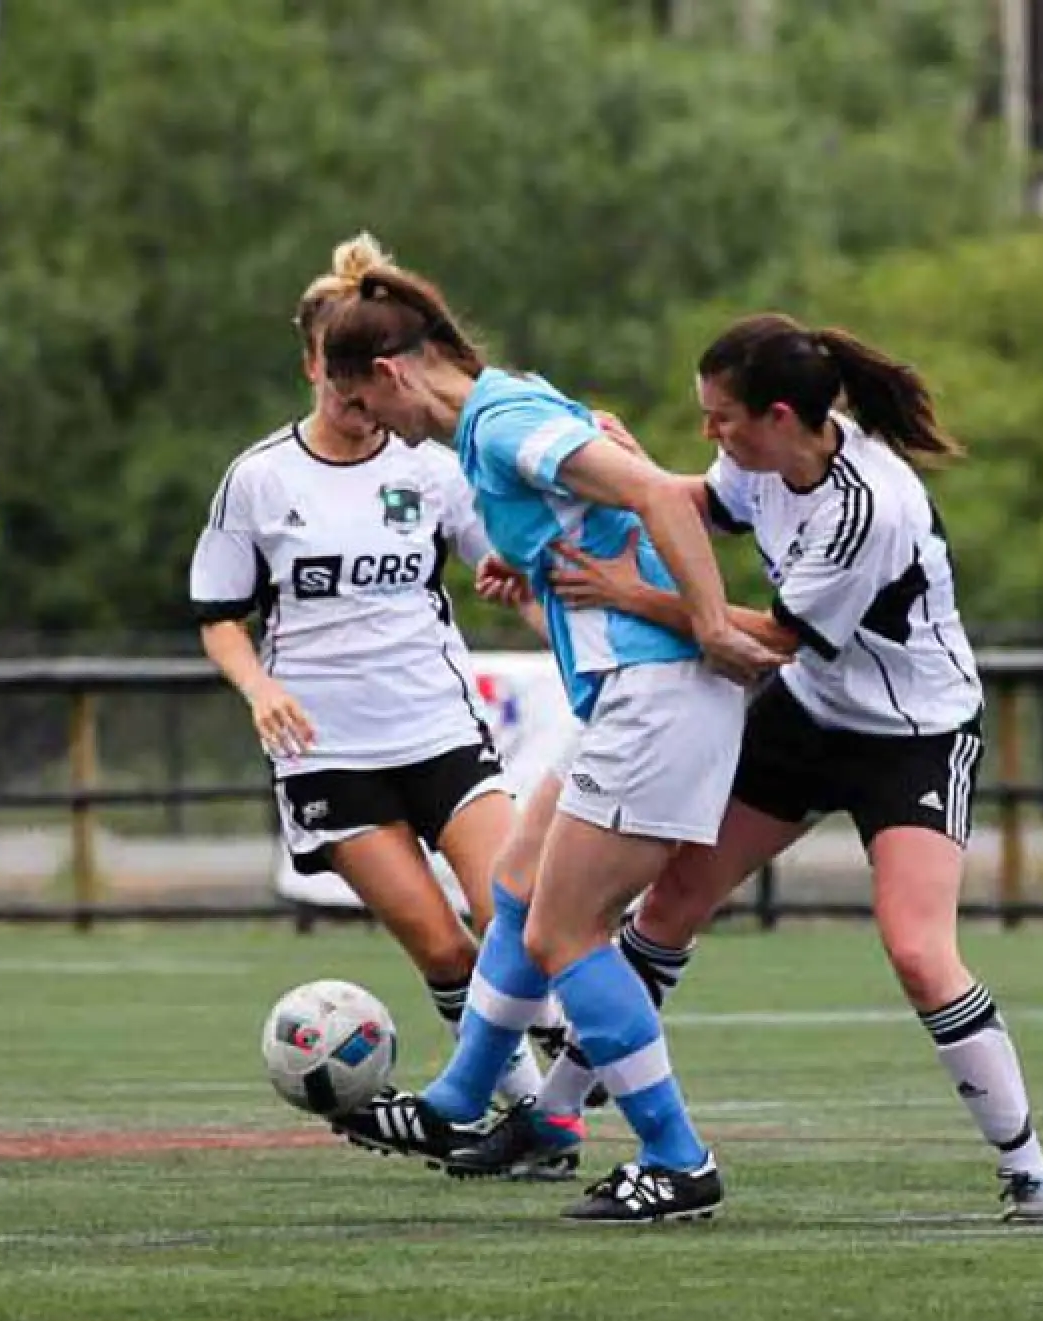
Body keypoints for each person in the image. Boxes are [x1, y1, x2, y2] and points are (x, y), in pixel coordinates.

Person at [443, 314, 1043, 1224]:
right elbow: (686, 507)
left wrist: (630, 596)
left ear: (781, 416)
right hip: (811, 713)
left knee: (916, 950)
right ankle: (553, 1118)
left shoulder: (869, 506)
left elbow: (775, 638)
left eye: (721, 419)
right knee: (667, 907)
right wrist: (552, 543)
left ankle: (1031, 1169)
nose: (712, 436)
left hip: (914, 735)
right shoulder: (757, 463)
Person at [318, 265, 787, 1223]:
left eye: (361, 399)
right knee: (519, 887)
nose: (368, 422)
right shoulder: (508, 410)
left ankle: (677, 1157)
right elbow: (602, 539)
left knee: (562, 932)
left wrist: (706, 622)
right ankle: (458, 1103)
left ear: (394, 370)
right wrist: (531, 584)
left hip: (659, 696)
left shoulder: (499, 424)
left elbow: (658, 496)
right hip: (628, 692)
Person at [189, 234, 551, 1112]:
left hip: (436, 726)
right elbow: (218, 618)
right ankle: (535, 1114)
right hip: (330, 753)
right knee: (443, 950)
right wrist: (262, 689)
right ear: (315, 361)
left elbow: (512, 568)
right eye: (338, 379)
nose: (356, 403)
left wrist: (570, 633)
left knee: (515, 914)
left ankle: (550, 1100)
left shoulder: (431, 466)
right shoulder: (260, 480)